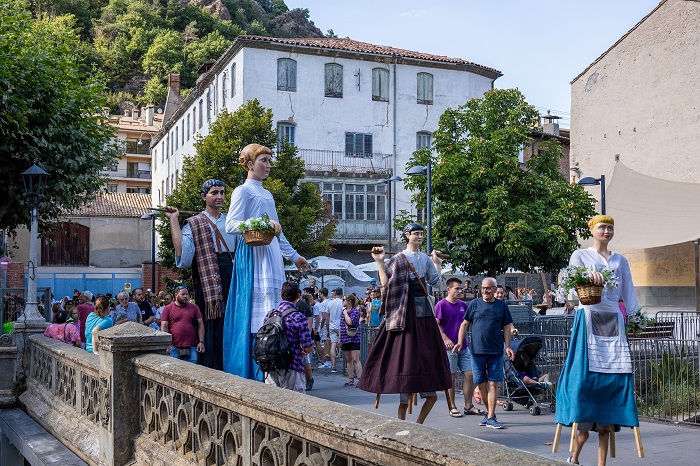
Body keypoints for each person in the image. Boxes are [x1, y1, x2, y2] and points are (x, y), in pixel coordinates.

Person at [556, 215, 639, 466]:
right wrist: (583, 279)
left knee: (616, 368)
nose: (607, 231)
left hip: (613, 317)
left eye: (610, 227)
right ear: (592, 230)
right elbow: (566, 291)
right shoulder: (580, 255)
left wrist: (635, 319)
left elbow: (629, 291)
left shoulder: (620, 260)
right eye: (602, 227)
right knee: (584, 370)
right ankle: (577, 447)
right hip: (589, 314)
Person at [223, 144, 310, 379]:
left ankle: (274, 355)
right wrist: (260, 224)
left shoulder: (268, 193)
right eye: (264, 160)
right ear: (250, 164)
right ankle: (254, 365)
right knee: (255, 307)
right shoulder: (242, 191)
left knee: (273, 305)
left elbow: (278, 232)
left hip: (271, 253)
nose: (268, 165)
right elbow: (231, 224)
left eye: (269, 160)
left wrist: (294, 256)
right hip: (253, 253)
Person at [358, 222, 451, 425]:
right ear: (407, 235)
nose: (419, 236)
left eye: (421, 233)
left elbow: (435, 282)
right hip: (404, 305)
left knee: (426, 344)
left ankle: (418, 424)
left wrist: (436, 262)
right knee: (405, 344)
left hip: (422, 306)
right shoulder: (398, 258)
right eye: (415, 233)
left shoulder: (425, 259)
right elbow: (384, 283)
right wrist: (379, 262)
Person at [166, 179, 237, 371]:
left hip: (231, 272)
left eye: (222, 192)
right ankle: (211, 368)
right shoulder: (194, 223)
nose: (220, 196)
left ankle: (232, 366)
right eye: (214, 192)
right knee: (209, 323)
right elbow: (184, 253)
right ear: (203, 196)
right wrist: (174, 220)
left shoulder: (232, 219)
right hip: (206, 276)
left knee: (231, 322)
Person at [454, 277, 514, 430]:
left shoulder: (502, 306)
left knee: (493, 383)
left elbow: (507, 327)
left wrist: (508, 346)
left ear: (495, 289)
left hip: (495, 351)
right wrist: (460, 342)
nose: (485, 290)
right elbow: (464, 324)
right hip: (477, 351)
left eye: (488, 288)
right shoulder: (474, 304)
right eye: (483, 288)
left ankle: (491, 416)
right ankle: (489, 414)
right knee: (481, 384)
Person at [435, 277, 483, 418]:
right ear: (448, 289)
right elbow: (435, 324)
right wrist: (445, 339)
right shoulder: (441, 305)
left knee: (470, 374)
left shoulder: (463, 304)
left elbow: (470, 322)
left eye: (461, 288)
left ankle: (468, 406)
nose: (460, 291)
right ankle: (452, 406)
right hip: (449, 348)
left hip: (463, 346)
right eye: (457, 288)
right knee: (451, 376)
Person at [263, 281, 314, 393]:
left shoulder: (270, 315)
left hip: (271, 366)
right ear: (298, 296)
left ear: (281, 296)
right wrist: (304, 350)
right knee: (296, 404)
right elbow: (308, 347)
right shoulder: (298, 316)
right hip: (292, 366)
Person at [160, 286, 205, 364]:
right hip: (173, 347)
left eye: (186, 294)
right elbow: (164, 327)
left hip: (191, 347)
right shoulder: (168, 308)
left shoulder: (194, 307)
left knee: (191, 372)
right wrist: (166, 345)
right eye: (183, 294)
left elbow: (200, 324)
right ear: (176, 295)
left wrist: (201, 342)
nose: (185, 296)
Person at [340, 294, 362, 387]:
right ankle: (350, 379)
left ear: (349, 301)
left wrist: (345, 313)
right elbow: (341, 326)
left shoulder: (355, 312)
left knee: (355, 359)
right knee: (348, 359)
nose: (342, 301)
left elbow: (350, 323)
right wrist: (339, 339)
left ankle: (360, 380)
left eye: (344, 300)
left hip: (354, 338)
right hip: (345, 338)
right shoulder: (343, 312)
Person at [297, 292, 315, 391]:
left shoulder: (302, 305)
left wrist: (306, 336)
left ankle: (309, 379)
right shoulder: (295, 305)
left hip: (304, 337)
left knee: (305, 360)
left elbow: (309, 319)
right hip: (300, 336)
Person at [325, 288, 344, 373]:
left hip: (332, 326)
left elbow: (327, 317)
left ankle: (333, 366)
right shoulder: (343, 303)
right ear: (342, 293)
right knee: (344, 345)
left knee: (333, 345)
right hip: (341, 326)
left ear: (335, 293)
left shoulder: (330, 303)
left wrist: (327, 329)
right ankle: (346, 365)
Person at [318, 288, 332, 368]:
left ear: (322, 294)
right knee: (330, 343)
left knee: (326, 343)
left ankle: (328, 361)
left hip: (325, 325)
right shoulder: (330, 302)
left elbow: (324, 316)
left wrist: (321, 326)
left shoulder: (322, 304)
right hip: (331, 323)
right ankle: (330, 360)